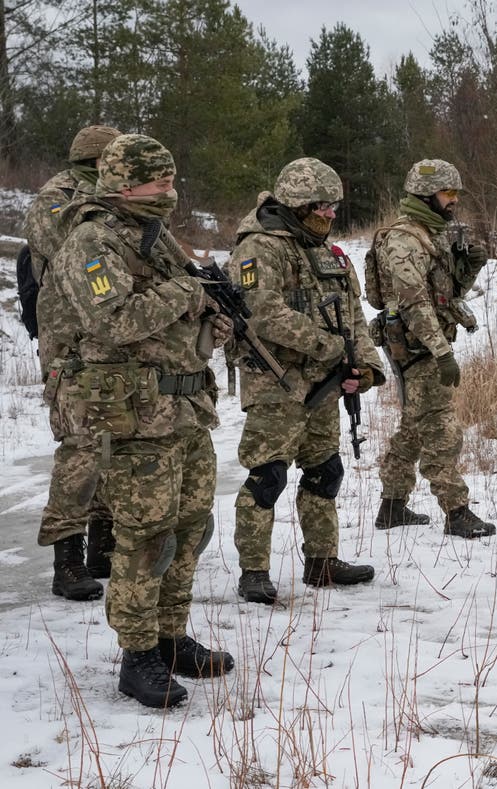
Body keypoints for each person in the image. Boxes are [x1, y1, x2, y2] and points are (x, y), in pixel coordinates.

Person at [46, 133, 235, 707]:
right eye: (160, 182)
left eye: (173, 180)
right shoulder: (91, 242)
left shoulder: (158, 240)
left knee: (190, 530)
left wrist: (213, 317)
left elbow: (185, 315)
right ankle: (139, 655)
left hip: (182, 410)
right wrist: (188, 291)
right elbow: (116, 322)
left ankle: (173, 638)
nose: (170, 192)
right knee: (144, 538)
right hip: (131, 417)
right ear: (124, 184)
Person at [226, 157, 383, 605]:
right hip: (277, 384)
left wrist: (365, 367)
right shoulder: (259, 249)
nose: (330, 214)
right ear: (296, 204)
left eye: (334, 206)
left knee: (324, 471)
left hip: (325, 387)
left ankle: (321, 561)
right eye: (321, 206)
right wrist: (330, 347)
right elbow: (263, 311)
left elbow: (354, 317)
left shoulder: (328, 252)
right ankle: (253, 570)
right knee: (268, 475)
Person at [371, 159, 496, 539]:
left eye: (456, 193)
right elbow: (413, 302)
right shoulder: (405, 239)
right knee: (442, 429)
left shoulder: (432, 233)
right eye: (448, 193)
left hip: (426, 342)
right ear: (427, 196)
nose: (454, 200)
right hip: (417, 347)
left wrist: (471, 265)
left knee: (413, 426)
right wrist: (442, 352)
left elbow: (445, 294)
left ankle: (391, 507)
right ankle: (456, 511)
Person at [27, 124, 122, 601]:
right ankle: (67, 558)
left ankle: (102, 545)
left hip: (108, 341)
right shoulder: (56, 199)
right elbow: (72, 248)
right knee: (81, 450)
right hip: (71, 345)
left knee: (112, 441)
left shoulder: (108, 198)